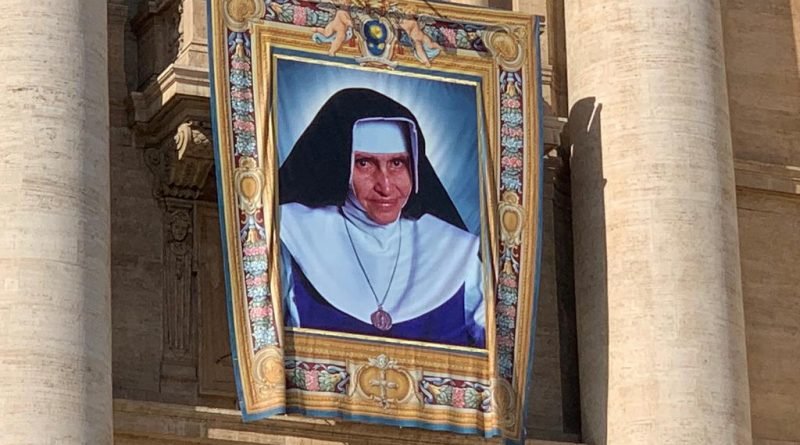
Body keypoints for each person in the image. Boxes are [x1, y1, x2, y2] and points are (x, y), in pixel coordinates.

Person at [278, 88, 485, 348]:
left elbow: (499, 348)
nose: (385, 187)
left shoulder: (454, 250)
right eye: (365, 163)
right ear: (338, 165)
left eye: (397, 163)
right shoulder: (292, 236)